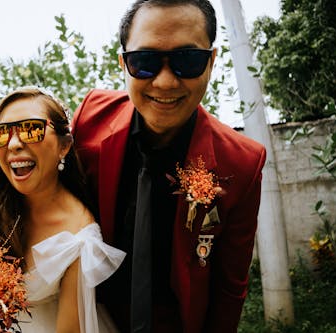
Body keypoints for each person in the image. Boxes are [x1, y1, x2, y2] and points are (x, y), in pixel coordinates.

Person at [71, 1, 267, 332]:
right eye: (144, 62)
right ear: (123, 63)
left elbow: (228, 289)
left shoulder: (243, 163)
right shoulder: (89, 118)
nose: (165, 82)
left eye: (187, 61)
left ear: (211, 62)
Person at [0, 86, 125, 333]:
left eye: (31, 130)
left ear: (64, 146)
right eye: (1, 133)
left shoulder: (79, 236)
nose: (14, 144)